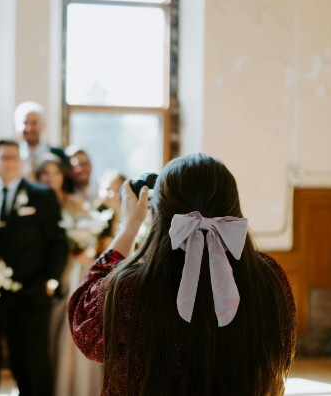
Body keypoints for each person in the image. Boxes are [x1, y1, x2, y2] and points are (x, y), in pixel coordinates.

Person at [69, 153, 297, 395]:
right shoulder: (267, 278)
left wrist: (128, 228)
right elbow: (280, 348)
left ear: (161, 214)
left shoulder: (130, 287)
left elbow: (85, 329)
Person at [0, 139, 67, 395]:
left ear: (21, 162)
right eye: (3, 157)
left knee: (34, 361)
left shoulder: (40, 195)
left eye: (13, 157)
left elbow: (58, 241)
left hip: (33, 291)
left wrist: (50, 282)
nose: (8, 162)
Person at [35, 157, 103, 396]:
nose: (50, 178)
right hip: (51, 272)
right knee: (51, 331)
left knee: (72, 324)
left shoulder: (75, 203)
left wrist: (84, 248)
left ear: (63, 176)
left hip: (75, 270)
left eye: (55, 173)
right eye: (44, 174)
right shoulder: (38, 203)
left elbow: (94, 237)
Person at [13, 101, 68, 179]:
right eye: (25, 123)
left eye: (34, 123)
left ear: (43, 124)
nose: (29, 128)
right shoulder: (13, 155)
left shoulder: (59, 154)